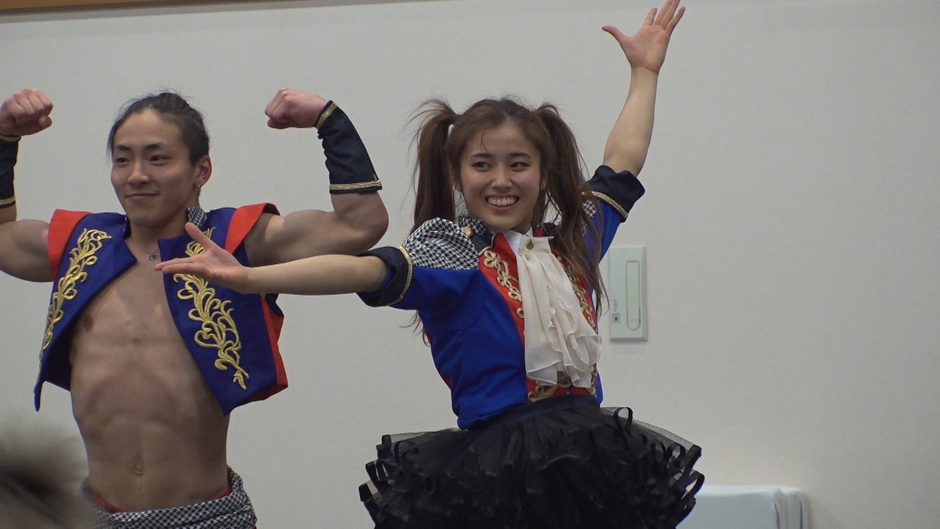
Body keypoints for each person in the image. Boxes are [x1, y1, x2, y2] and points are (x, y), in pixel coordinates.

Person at [157, 1, 701, 526]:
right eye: (482, 165)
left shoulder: (572, 245)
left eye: (518, 164)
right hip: (497, 474)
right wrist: (252, 278)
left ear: (542, 172)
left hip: (593, 465)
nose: (502, 180)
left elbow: (622, 163)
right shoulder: (453, 251)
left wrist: (644, 74)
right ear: (458, 175)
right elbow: (364, 270)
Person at [0, 87, 388, 527]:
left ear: (201, 170)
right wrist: (4, 139)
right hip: (96, 516)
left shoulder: (234, 242)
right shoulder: (82, 245)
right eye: (123, 159)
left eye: (157, 158)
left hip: (207, 517)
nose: (136, 175)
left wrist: (330, 121)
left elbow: (360, 225)